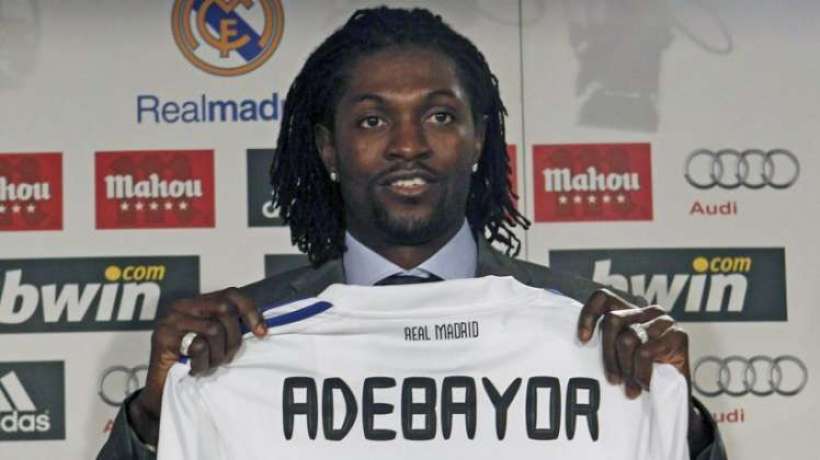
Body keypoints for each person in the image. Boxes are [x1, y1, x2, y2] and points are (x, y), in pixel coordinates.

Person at [98, 7, 725, 460]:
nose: (408, 145)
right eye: (373, 120)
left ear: (479, 138)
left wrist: (679, 419)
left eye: (440, 115)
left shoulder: (593, 330)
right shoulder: (241, 341)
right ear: (328, 148)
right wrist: (154, 416)